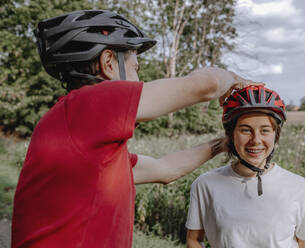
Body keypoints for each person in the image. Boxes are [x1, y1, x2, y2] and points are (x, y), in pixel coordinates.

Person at [11, 10, 257, 248]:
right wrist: (235, 79)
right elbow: (208, 85)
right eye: (136, 68)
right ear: (109, 63)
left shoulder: (82, 139)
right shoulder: (85, 105)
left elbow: (165, 169)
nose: (139, 80)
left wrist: (223, 144)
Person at [186, 86, 305, 248]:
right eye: (245, 130)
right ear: (230, 135)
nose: (256, 140)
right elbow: (194, 240)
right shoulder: (205, 185)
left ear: (276, 135)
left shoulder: (299, 187)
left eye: (265, 130)